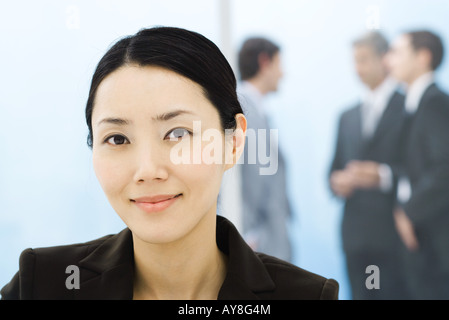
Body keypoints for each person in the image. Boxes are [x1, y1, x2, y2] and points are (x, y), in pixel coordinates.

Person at [1, 27, 338, 300]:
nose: (147, 170)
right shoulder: (42, 285)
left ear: (233, 143)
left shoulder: (305, 296)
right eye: (117, 139)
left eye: (177, 133)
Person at [329, 31, 408, 299]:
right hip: (355, 236)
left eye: (363, 60)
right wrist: (336, 181)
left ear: (384, 60)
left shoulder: (409, 108)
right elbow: (333, 168)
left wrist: (382, 176)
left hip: (395, 236)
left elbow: (423, 170)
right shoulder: (346, 116)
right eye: (355, 61)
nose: (357, 69)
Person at [219, 37, 292, 262]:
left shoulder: (256, 111)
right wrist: (244, 232)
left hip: (266, 240)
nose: (283, 74)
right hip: (257, 242)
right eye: (279, 65)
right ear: (264, 62)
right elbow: (241, 179)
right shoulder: (243, 112)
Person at [388, 30, 449, 299]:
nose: (389, 60)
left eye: (398, 52)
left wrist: (407, 212)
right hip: (418, 239)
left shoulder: (435, 102)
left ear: (423, 57)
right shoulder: (412, 104)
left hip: (434, 240)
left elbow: (444, 169)